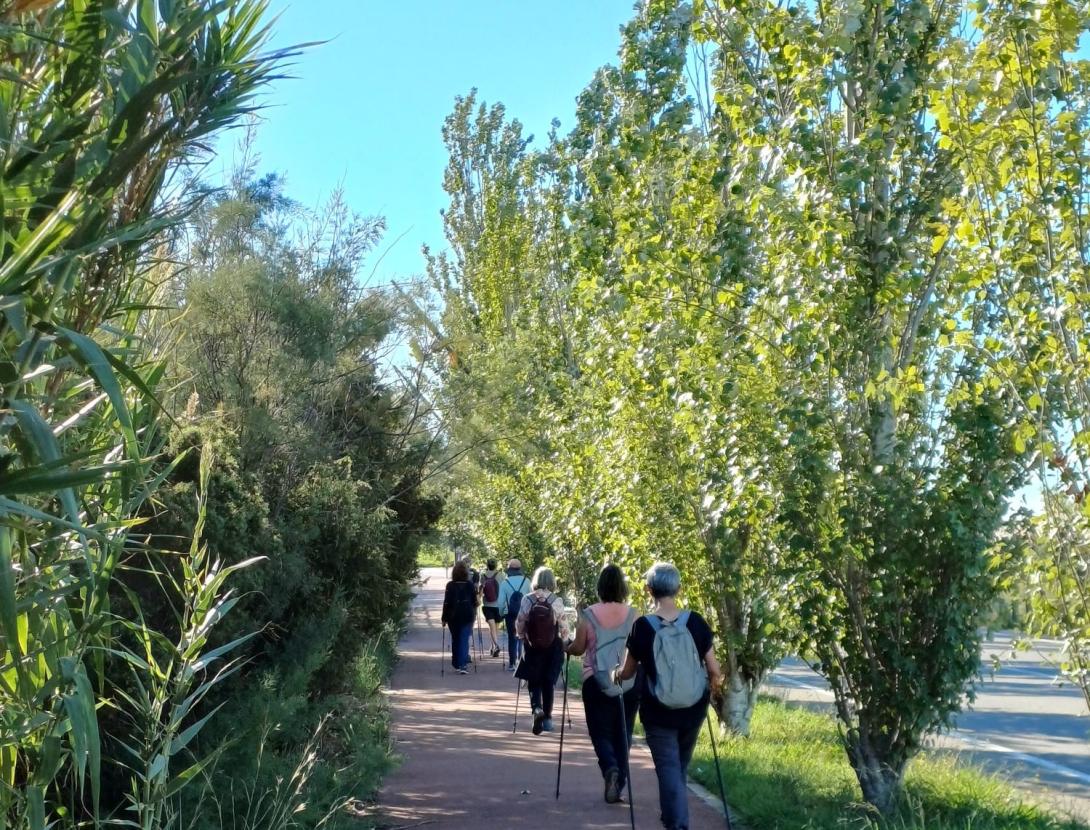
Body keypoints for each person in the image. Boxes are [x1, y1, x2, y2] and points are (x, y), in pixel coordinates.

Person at [612, 562, 722, 830]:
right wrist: (712, 687)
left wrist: (616, 674)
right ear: (678, 589)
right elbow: (714, 669)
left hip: (658, 710)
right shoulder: (695, 622)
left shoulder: (643, 627)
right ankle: (673, 815)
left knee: (669, 769)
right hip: (693, 708)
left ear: (649, 590)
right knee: (679, 766)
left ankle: (676, 823)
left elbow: (628, 671)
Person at [566, 564, 640, 804]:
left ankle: (609, 768)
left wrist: (565, 646)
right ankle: (619, 784)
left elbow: (579, 648)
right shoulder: (634, 615)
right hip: (628, 681)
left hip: (595, 680)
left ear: (600, 587)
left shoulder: (587, 615)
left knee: (600, 731)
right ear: (623, 588)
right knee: (624, 732)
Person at [515, 566, 571, 735]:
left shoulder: (527, 599)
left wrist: (521, 636)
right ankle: (547, 718)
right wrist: (566, 642)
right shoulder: (556, 600)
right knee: (549, 682)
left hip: (532, 646)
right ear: (551, 581)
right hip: (552, 646)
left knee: (534, 680)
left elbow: (520, 622)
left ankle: (536, 709)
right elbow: (564, 627)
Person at [441, 560, 478, 674]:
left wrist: (444, 618)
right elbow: (474, 601)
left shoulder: (450, 585)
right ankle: (462, 665)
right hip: (467, 615)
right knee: (464, 639)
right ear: (466, 573)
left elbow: (446, 602)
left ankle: (456, 662)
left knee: (456, 638)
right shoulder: (470, 585)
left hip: (453, 616)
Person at [498, 558, 531, 671]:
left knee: (511, 638)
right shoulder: (527, 581)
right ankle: (522, 661)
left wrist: (502, 613)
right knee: (522, 637)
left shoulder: (504, 583)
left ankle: (512, 663)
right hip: (524, 614)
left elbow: (501, 602)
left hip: (510, 614)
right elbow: (531, 598)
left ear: (509, 570)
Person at [479, 557, 506, 658]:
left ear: (487, 565)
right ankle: (495, 646)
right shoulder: (501, 575)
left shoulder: (483, 575)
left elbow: (481, 589)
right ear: (496, 565)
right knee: (496, 627)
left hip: (487, 605)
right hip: (499, 605)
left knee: (492, 627)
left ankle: (494, 646)